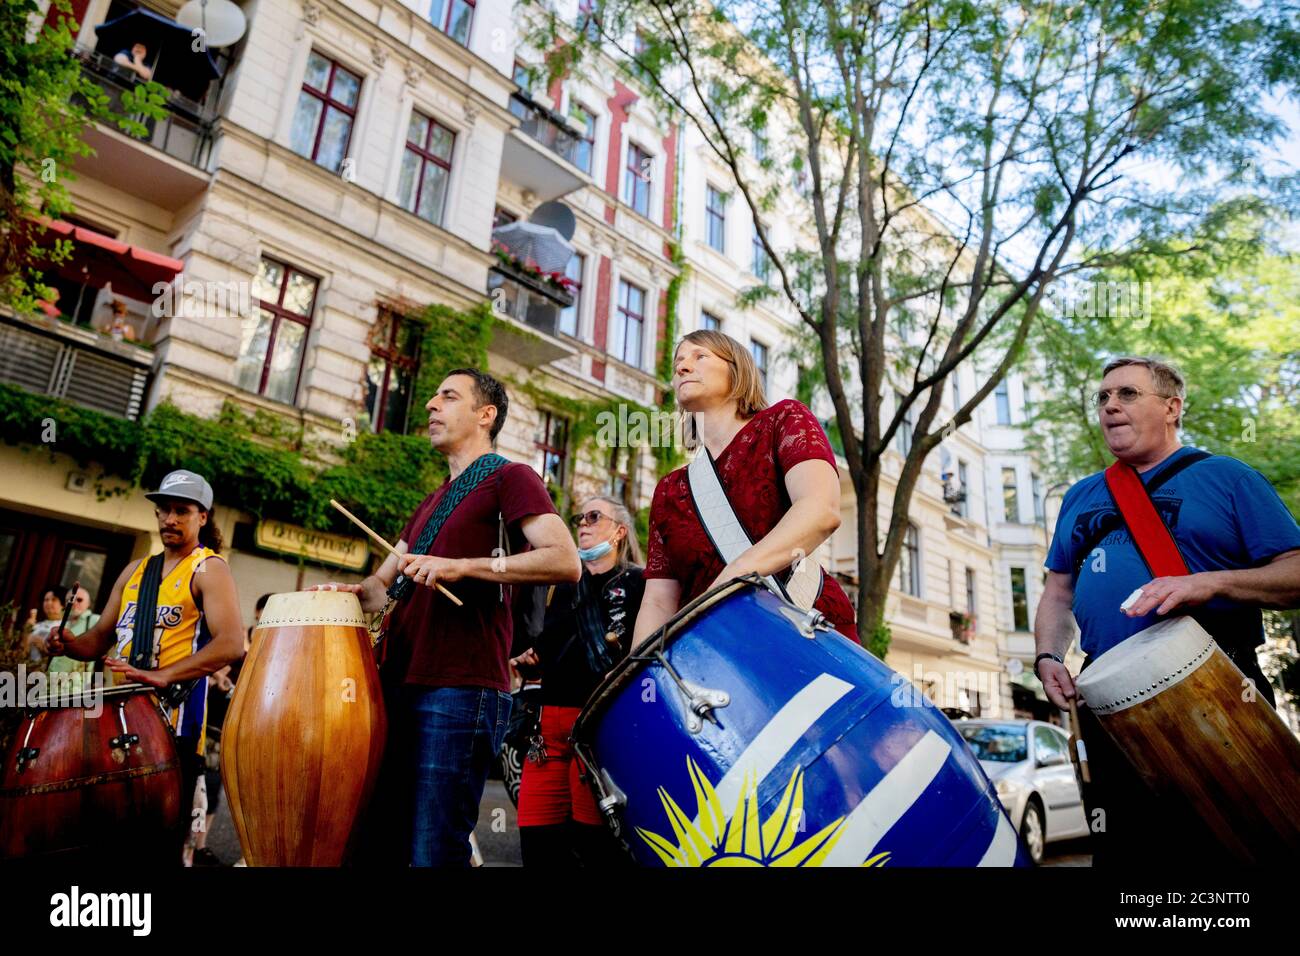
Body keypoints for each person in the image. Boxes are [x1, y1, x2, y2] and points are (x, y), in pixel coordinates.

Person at [1035, 356, 1300, 866]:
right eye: (1104, 397)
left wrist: (1209, 582)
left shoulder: (1228, 477)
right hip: (1107, 696)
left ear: (1173, 407)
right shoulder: (1080, 496)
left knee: (1238, 844)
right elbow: (1057, 593)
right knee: (1128, 850)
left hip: (1218, 681)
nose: (1110, 405)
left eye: (1128, 394)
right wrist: (1048, 655)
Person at [315, 368, 580, 867]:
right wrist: (347, 594)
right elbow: (381, 588)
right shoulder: (430, 502)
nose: (431, 405)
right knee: (382, 843)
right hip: (397, 684)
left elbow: (563, 559)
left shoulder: (511, 477)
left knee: (433, 850)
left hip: (460, 687)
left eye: (448, 396)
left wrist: (463, 566)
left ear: (486, 415)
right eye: (433, 396)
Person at [47, 469, 246, 864]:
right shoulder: (135, 571)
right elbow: (99, 637)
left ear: (202, 516)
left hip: (174, 731)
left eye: (181, 510)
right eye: (163, 510)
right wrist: (68, 644)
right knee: (107, 841)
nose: (169, 519)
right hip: (116, 729)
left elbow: (229, 645)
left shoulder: (209, 568)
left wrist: (163, 675)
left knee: (154, 849)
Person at [633, 330, 856, 649]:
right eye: (678, 361)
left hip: (807, 632)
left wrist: (727, 582)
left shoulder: (784, 421)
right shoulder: (670, 490)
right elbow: (657, 602)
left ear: (736, 369)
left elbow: (821, 510)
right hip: (719, 657)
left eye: (699, 356)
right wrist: (641, 681)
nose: (682, 367)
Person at [510, 495, 645, 866]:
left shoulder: (639, 583)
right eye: (578, 518)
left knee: (591, 845)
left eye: (593, 516)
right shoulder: (560, 582)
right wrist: (531, 660)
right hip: (548, 733)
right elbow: (549, 648)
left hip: (598, 731)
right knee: (536, 840)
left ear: (619, 532)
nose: (582, 524)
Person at [191, 591, 267, 867]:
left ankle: (201, 846)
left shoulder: (268, 648)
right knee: (202, 788)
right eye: (260, 617)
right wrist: (215, 676)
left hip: (237, 731)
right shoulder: (237, 641)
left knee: (215, 791)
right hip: (208, 725)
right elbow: (206, 662)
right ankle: (193, 847)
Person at [47, 586, 99, 693]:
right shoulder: (63, 623)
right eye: (70, 600)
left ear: (88, 604)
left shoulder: (95, 620)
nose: (75, 602)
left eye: (79, 600)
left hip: (76, 689)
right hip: (52, 686)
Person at [23, 586, 65, 664]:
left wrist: (40, 643)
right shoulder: (37, 625)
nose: (49, 603)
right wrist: (26, 630)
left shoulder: (65, 626)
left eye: (54, 599)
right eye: (46, 600)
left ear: (63, 604)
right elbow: (24, 651)